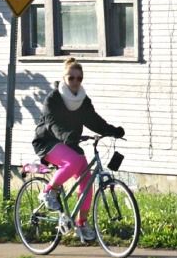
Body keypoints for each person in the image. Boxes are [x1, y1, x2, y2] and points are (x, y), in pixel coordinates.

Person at [32, 57, 125, 242]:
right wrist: (66, 135)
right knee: (73, 162)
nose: (75, 82)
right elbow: (52, 123)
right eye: (71, 77)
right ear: (64, 78)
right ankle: (49, 191)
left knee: (87, 183)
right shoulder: (54, 98)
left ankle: (81, 223)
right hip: (48, 142)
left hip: (70, 143)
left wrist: (112, 130)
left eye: (79, 78)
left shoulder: (82, 99)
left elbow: (93, 120)